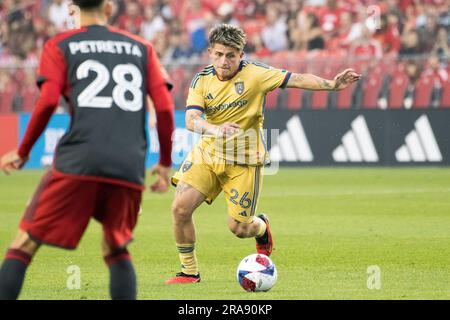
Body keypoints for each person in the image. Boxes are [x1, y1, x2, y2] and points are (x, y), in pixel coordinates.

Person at [0, 0, 174, 300]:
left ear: (70, 8)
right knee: (116, 247)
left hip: (78, 160)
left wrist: (24, 150)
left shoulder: (60, 45)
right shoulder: (141, 47)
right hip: (128, 164)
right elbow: (166, 109)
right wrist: (165, 162)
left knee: (23, 243)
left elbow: (47, 101)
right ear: (109, 8)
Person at [166, 24, 361, 284]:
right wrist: (215, 129)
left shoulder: (257, 74)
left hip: (244, 159)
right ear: (211, 52)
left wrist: (333, 85)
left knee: (239, 228)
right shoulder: (201, 80)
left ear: (241, 54)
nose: (224, 61)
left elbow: (298, 79)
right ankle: (189, 272)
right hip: (208, 154)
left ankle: (261, 227)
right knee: (180, 209)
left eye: (231, 55)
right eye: (219, 54)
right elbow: (191, 120)